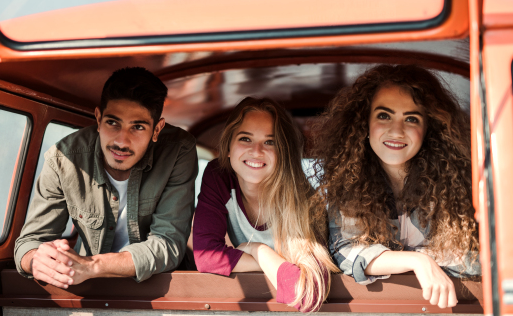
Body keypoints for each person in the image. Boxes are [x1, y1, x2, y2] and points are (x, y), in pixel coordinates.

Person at [308, 64, 480, 309]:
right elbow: (346, 253)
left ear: (428, 128)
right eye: (384, 115)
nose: (396, 131)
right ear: (364, 123)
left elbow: (479, 259)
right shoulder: (347, 185)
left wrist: (411, 258)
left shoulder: (458, 186)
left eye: (411, 118)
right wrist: (419, 262)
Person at [14, 67, 198, 287]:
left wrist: (92, 266)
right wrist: (39, 260)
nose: (122, 141)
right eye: (113, 123)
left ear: (157, 130)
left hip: (158, 288)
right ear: (99, 118)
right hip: (89, 288)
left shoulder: (178, 151)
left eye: (137, 127)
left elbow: (168, 243)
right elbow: (29, 242)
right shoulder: (63, 158)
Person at [192, 97, 338, 313]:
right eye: (245, 139)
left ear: (283, 153)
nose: (257, 151)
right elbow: (207, 257)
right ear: (229, 147)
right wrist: (274, 262)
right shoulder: (218, 176)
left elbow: (307, 295)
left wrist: (255, 250)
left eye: (270, 142)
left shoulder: (303, 198)